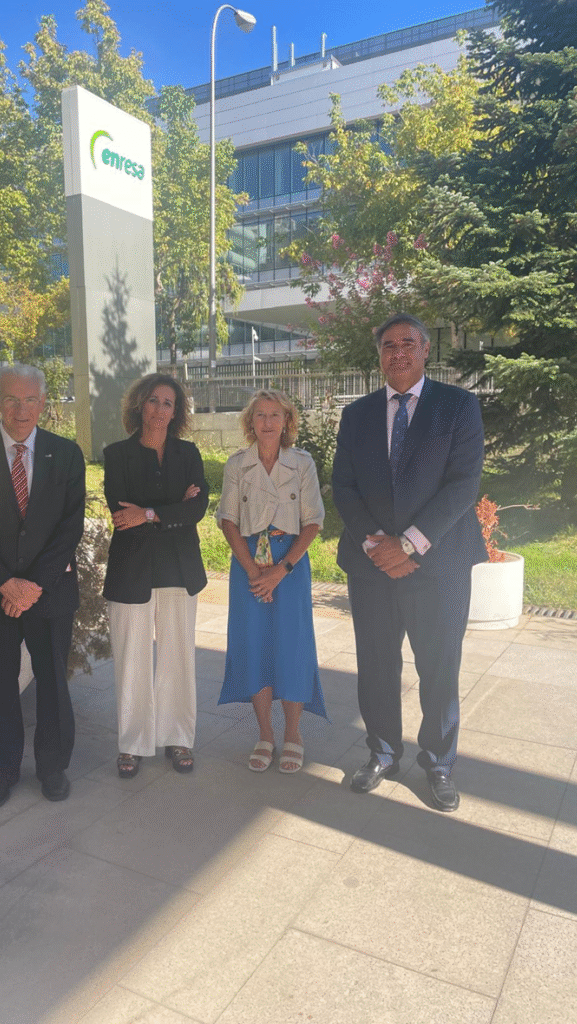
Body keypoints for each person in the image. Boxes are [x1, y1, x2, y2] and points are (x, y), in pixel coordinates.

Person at [332, 312, 486, 812]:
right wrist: (377, 546)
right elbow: (343, 486)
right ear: (379, 355)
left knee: (439, 666)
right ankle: (382, 753)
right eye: (388, 345)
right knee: (376, 664)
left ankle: (438, 763)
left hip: (438, 565)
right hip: (372, 565)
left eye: (407, 343)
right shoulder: (356, 414)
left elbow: (463, 483)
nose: (397, 352)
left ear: (424, 350)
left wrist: (410, 544)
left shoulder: (458, 406)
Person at [0, 365, 85, 810]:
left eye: (29, 400)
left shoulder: (67, 453)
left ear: (43, 403)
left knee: (53, 682)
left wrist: (33, 586)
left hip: (49, 592)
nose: (20, 409)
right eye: (11, 399)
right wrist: (7, 584)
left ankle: (53, 767)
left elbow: (70, 527)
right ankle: (2, 769)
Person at [217, 389, 328, 773]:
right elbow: (227, 521)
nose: (267, 422)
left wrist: (281, 571)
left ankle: (293, 733)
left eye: (275, 415)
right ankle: (265, 733)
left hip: (289, 565)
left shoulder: (302, 464)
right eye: (260, 415)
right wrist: (252, 570)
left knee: (292, 646)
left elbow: (313, 521)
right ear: (251, 422)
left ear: (286, 422)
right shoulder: (237, 465)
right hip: (248, 563)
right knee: (254, 645)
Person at [103, 373, 208, 778]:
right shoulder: (117, 455)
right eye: (153, 400)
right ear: (139, 405)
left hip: (180, 567)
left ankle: (177, 737)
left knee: (178, 655)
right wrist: (171, 510)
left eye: (168, 403)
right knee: (131, 656)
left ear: (176, 411)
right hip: (132, 567)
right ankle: (132, 744)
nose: (160, 409)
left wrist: (148, 512)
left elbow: (197, 509)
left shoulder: (189, 454)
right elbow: (121, 514)